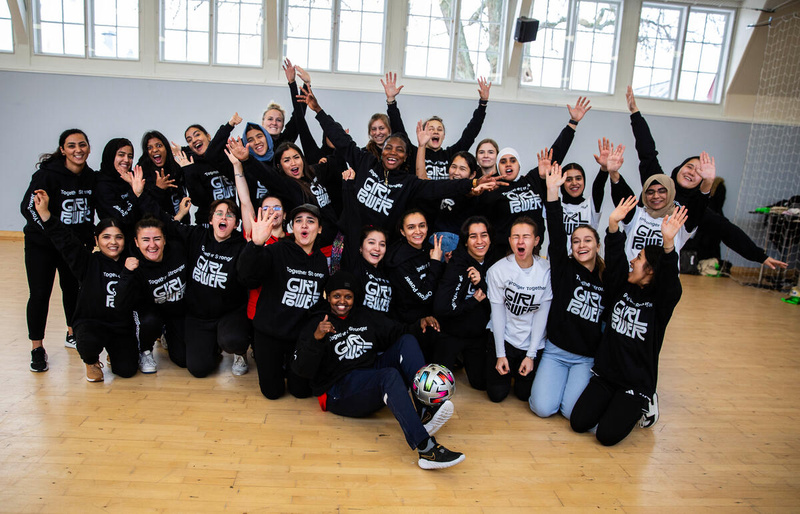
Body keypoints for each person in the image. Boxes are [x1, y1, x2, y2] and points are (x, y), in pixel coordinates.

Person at [292, 271, 465, 470]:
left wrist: (419, 324)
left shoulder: (363, 315)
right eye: (336, 296)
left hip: (369, 375)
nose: (342, 301)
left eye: (348, 296)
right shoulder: (318, 322)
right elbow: (301, 369)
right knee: (389, 376)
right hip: (339, 389)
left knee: (406, 342)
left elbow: (397, 331)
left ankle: (424, 410)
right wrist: (317, 338)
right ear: (327, 296)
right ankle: (426, 449)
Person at [296, 88, 500, 236]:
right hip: (349, 235)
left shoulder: (408, 183)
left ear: (405, 157)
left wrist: (473, 183)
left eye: (399, 150)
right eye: (388, 148)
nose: (393, 152)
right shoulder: (366, 162)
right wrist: (318, 111)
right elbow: (341, 139)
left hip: (379, 244)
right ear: (382, 151)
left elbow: (439, 187)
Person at [624, 86, 787, 270]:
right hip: (631, 263)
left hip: (661, 272)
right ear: (679, 169)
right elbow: (647, 152)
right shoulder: (658, 182)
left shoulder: (696, 209)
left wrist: (760, 256)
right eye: (689, 166)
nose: (692, 172)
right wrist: (635, 113)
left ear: (702, 181)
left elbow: (728, 231)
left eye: (699, 171)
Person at [570, 198, 686, 446]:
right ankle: (615, 404)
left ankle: (646, 403)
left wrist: (668, 244)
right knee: (579, 423)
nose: (633, 261)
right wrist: (613, 224)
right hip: (607, 375)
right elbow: (616, 259)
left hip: (635, 383)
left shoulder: (660, 303)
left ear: (652, 270)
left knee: (606, 436)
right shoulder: (621, 286)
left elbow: (670, 283)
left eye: (640, 258)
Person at [32, 190, 138, 381]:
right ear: (96, 240)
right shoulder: (87, 262)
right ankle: (91, 361)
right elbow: (66, 241)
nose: (113, 242)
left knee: (127, 371)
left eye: (118, 237)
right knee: (88, 341)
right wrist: (46, 215)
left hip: (120, 326)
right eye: (106, 237)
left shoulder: (131, 262)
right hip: (92, 323)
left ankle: (113, 353)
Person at [529, 161, 605, 420]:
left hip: (586, 358)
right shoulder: (563, 268)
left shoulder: (607, 278)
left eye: (587, 240)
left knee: (572, 412)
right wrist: (552, 192)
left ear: (597, 244)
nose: (581, 245)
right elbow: (556, 231)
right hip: (556, 352)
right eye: (576, 241)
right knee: (542, 408)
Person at [21, 129, 95, 371]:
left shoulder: (91, 178)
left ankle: (71, 332)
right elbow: (28, 208)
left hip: (72, 246)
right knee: (40, 294)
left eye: (82, 145)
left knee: (72, 288)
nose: (78, 150)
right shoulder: (46, 176)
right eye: (71, 146)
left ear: (88, 148)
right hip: (42, 245)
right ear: (62, 150)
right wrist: (52, 233)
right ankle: (37, 348)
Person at [237, 203, 329, 400]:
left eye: (310, 221)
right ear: (292, 227)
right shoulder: (276, 250)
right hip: (269, 334)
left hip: (298, 338)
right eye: (298, 221)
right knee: (272, 393)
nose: (304, 225)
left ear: (319, 228)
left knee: (301, 392)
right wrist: (255, 244)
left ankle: (291, 369)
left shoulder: (321, 262)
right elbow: (246, 276)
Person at [485, 216, 552, 402]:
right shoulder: (497, 271)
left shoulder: (546, 270)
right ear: (509, 240)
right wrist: (501, 355)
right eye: (515, 236)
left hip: (532, 342)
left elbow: (542, 314)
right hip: (505, 338)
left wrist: (531, 355)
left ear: (536, 241)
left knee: (524, 395)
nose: (520, 242)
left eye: (526, 236)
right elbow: (497, 315)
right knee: (496, 395)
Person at [382, 72, 491, 181]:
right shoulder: (414, 153)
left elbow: (470, 134)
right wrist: (391, 102)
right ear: (423, 133)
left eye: (439, 129)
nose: (436, 132)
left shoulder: (451, 155)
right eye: (431, 129)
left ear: (443, 136)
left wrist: (483, 104)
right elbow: (399, 131)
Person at [116, 214, 189, 373]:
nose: (152, 245)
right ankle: (145, 349)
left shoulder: (178, 250)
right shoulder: (133, 264)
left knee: (184, 360)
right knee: (150, 321)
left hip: (177, 312)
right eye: (145, 240)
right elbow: (120, 302)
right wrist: (126, 273)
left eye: (157, 238)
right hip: (151, 314)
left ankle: (166, 335)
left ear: (164, 239)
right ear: (136, 242)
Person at [433, 216, 494, 390]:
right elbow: (442, 307)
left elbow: (500, 306)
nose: (480, 241)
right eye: (473, 236)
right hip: (451, 334)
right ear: (466, 242)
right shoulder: (457, 264)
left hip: (478, 336)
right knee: (439, 387)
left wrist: (482, 283)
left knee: (482, 385)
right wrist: (473, 301)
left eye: (484, 235)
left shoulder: (496, 264)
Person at [385, 210, 444, 359]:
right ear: (402, 232)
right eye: (411, 227)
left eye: (422, 226)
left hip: (431, 316)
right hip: (410, 323)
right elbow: (424, 296)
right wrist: (436, 263)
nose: (418, 231)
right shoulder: (400, 261)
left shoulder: (427, 248)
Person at [94, 138, 141, 241]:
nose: (126, 160)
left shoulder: (134, 178)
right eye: (121, 155)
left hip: (140, 241)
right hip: (115, 244)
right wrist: (135, 191)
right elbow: (125, 218)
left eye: (130, 156)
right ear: (111, 156)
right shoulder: (102, 184)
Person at [348, 226, 393, 315]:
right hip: (360, 327)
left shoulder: (387, 272)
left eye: (382, 244)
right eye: (371, 242)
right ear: (360, 247)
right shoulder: (355, 266)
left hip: (384, 327)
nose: (377, 248)